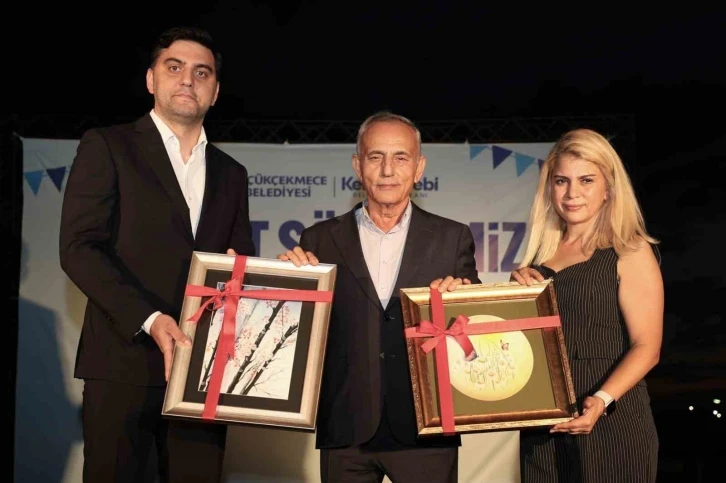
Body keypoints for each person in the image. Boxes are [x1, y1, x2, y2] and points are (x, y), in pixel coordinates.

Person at [59, 26, 255, 482]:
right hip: (122, 363)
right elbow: (79, 248)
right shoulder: (108, 146)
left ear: (215, 92)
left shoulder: (232, 173)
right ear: (151, 80)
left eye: (202, 72)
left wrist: (260, 278)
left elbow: (238, 260)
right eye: (174, 67)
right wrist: (150, 319)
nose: (188, 79)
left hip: (202, 373)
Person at [279, 111, 480, 483]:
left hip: (428, 426)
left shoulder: (452, 237)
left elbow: (474, 322)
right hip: (346, 427)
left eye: (401, 157)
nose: (388, 170)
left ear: (419, 168)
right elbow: (296, 331)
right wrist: (286, 283)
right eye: (376, 157)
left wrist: (464, 299)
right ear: (358, 166)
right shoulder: (318, 239)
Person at [510, 128, 663, 482]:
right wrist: (513, 297)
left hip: (612, 420)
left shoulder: (629, 249)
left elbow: (648, 347)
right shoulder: (536, 259)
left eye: (586, 180)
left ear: (609, 187)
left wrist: (603, 399)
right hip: (542, 426)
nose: (572, 193)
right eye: (561, 181)